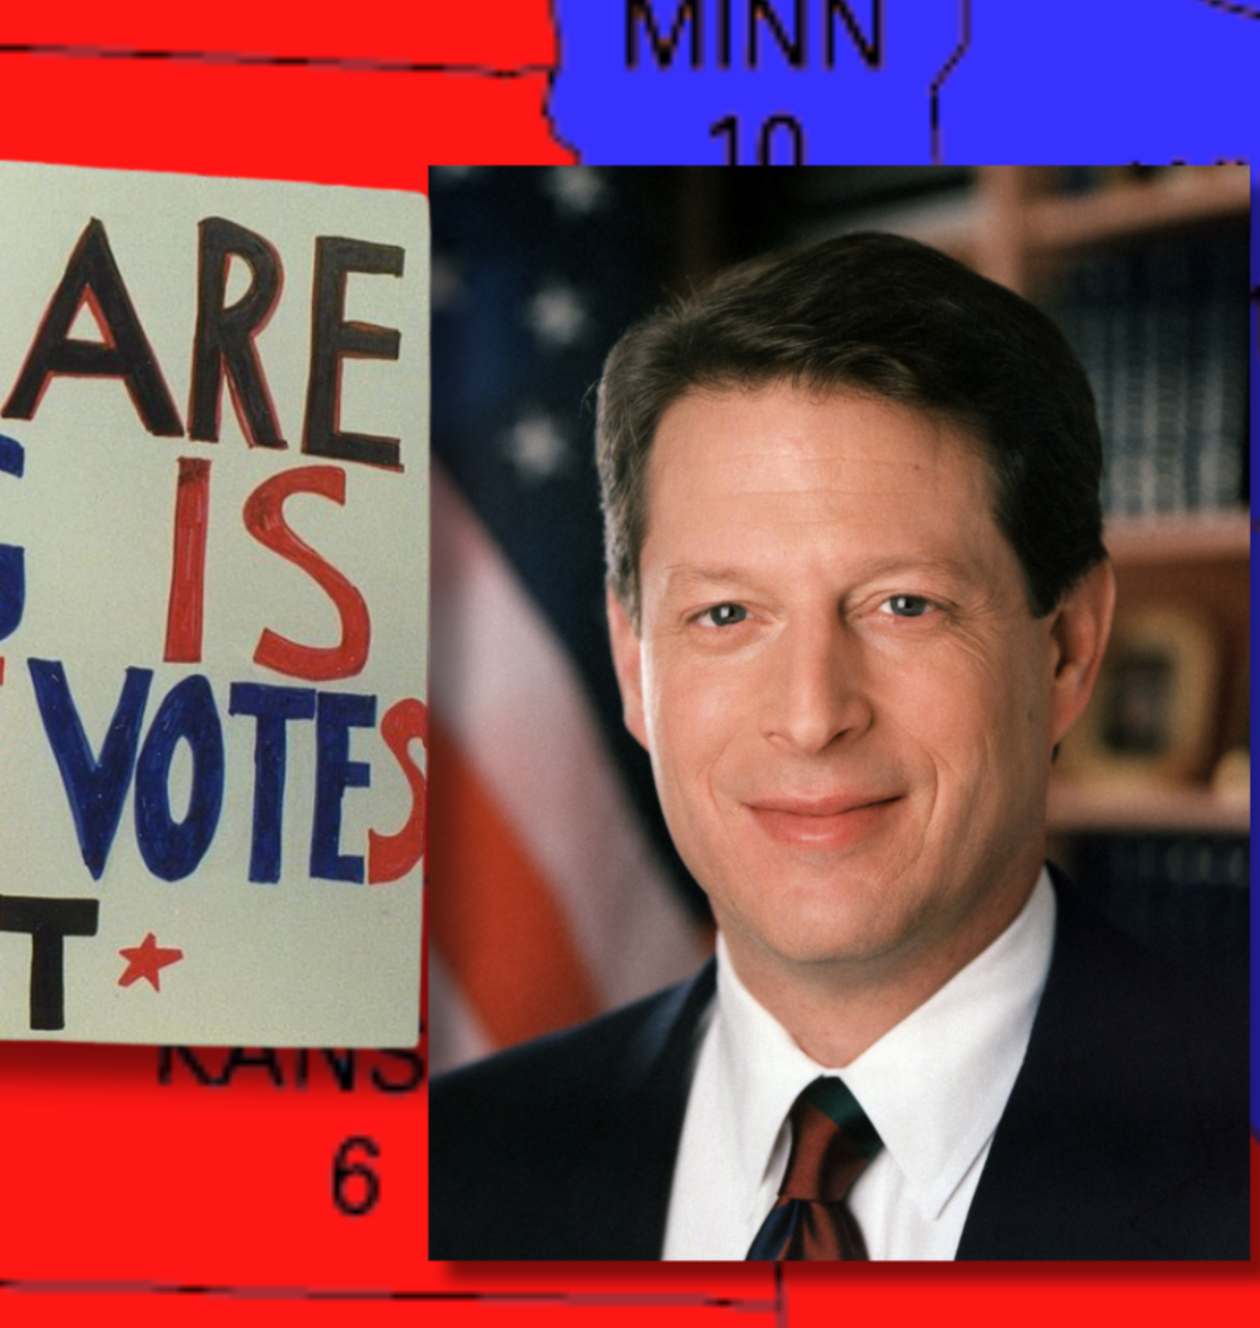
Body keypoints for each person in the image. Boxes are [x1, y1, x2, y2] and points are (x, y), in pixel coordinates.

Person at [429, 232, 1247, 1261]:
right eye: (727, 615)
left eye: (904, 605)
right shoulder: (450, 1170)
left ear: (1069, 650)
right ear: (636, 666)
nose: (813, 716)